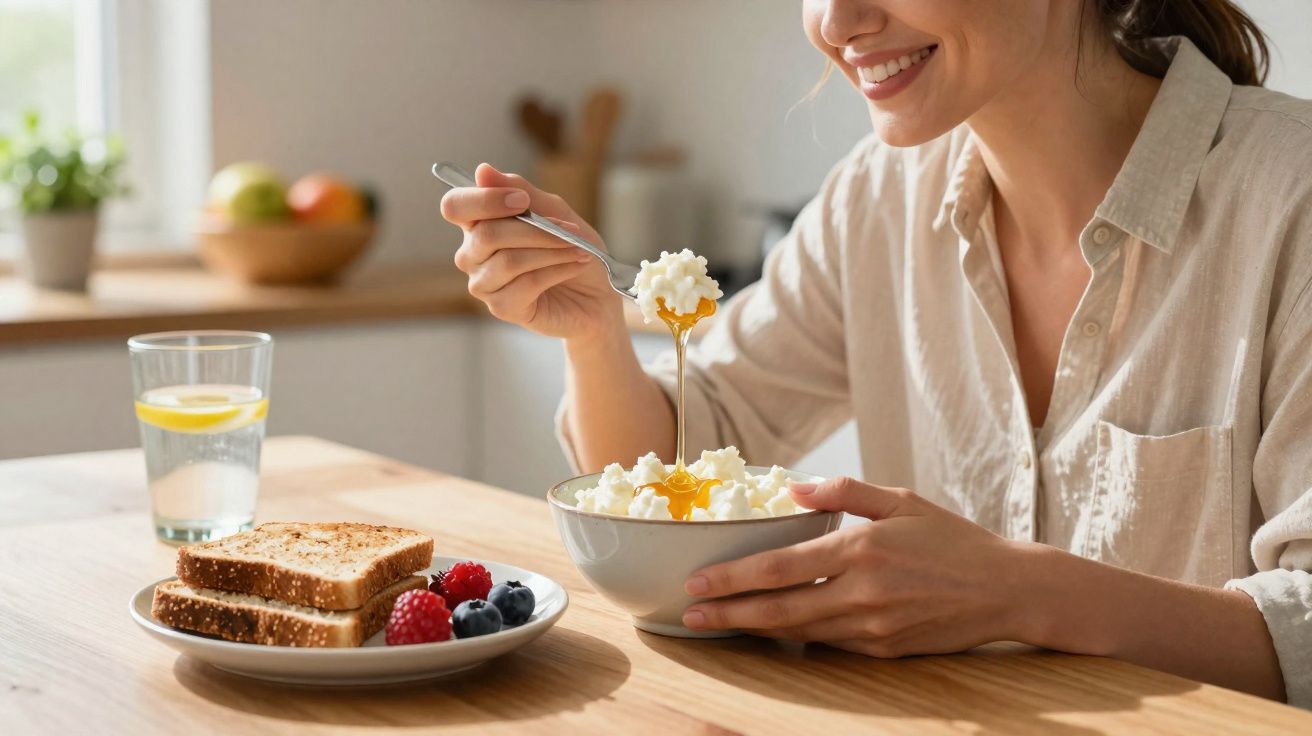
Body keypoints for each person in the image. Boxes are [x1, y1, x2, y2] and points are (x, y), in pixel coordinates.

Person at [440, 0, 1312, 706]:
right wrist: (592, 334)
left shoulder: (1290, 197)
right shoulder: (877, 197)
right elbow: (670, 459)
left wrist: (1018, 592)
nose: (834, 20)